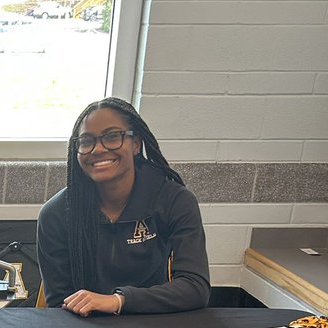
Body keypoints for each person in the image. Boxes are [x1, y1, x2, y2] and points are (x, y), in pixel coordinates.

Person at [37, 97, 210, 315]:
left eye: (111, 137)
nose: (98, 149)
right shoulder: (56, 214)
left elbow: (195, 287)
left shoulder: (174, 200)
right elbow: (59, 302)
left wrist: (119, 301)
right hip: (84, 327)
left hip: (152, 321)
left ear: (136, 143)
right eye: (86, 141)